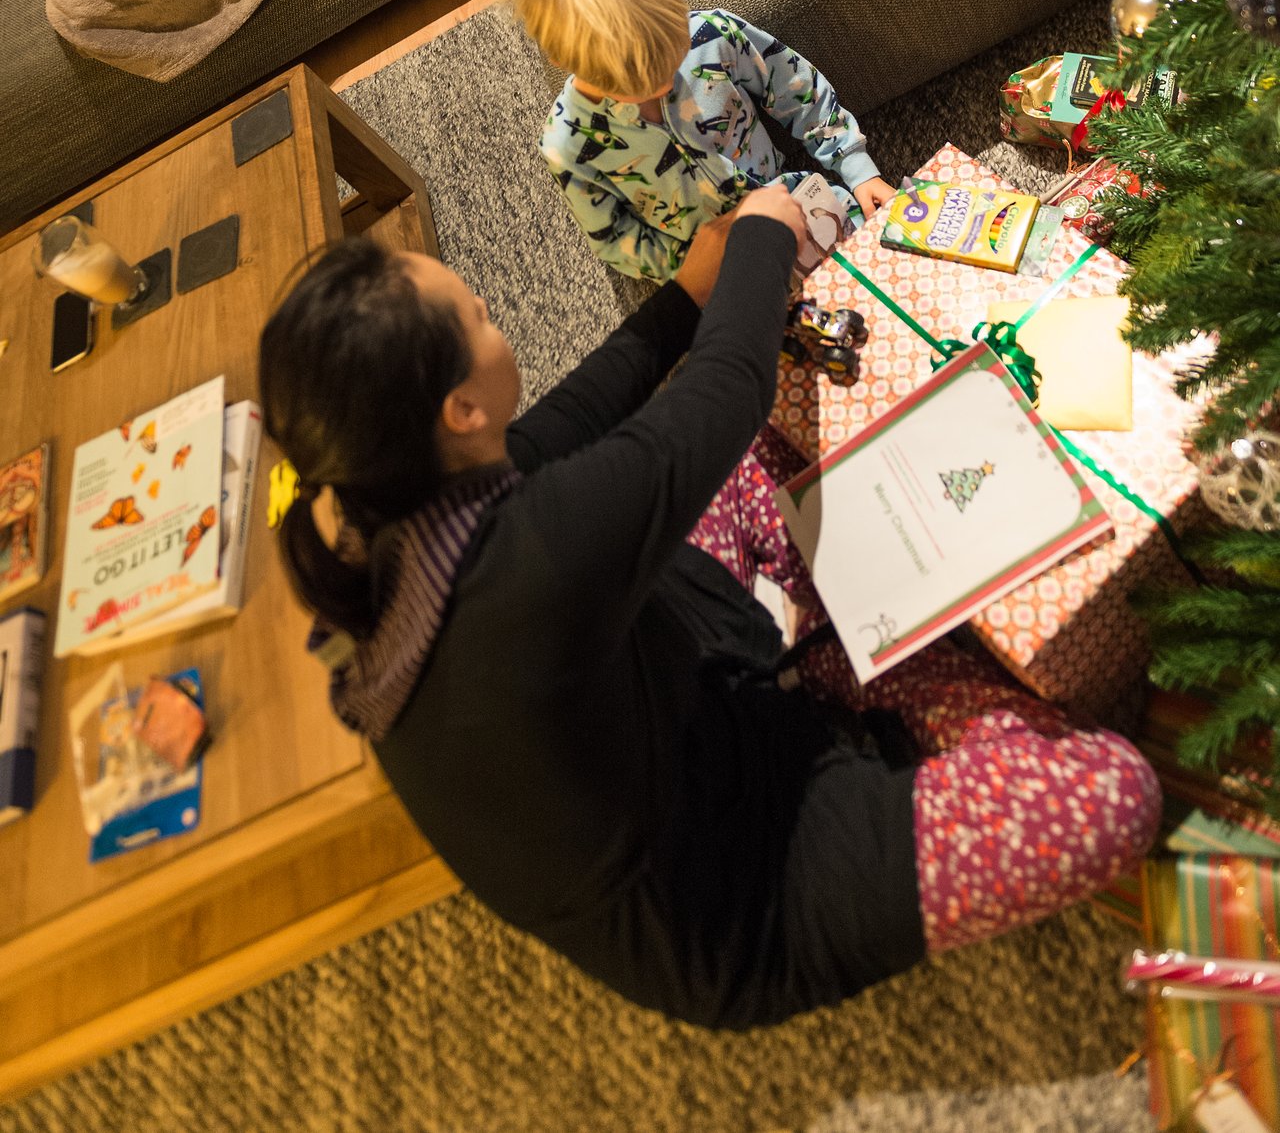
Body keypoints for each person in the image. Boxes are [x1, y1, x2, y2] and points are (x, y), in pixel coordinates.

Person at [260, 207, 1161, 1031]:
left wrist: (687, 296)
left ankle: (846, 648)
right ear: (460, 410)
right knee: (1116, 796)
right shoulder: (526, 564)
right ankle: (861, 673)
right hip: (748, 884)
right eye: (483, 315)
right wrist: (765, 236)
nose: (497, 318)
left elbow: (573, 419)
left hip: (676, 687)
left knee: (763, 461)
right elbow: (724, 390)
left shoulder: (400, 519)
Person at [492, 0, 896, 283]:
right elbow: (615, 238)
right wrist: (692, 270)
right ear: (562, 61)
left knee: (898, 258)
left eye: (674, 60)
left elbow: (796, 88)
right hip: (722, 274)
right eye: (644, 86)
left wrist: (857, 168)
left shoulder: (710, 35)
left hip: (794, 202)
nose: (668, 85)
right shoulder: (568, 146)